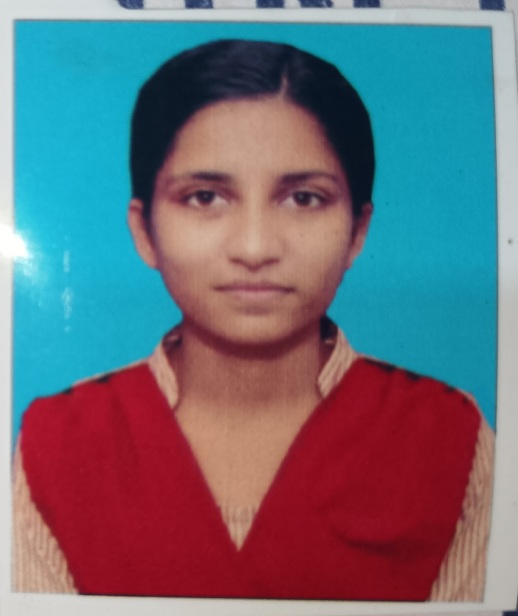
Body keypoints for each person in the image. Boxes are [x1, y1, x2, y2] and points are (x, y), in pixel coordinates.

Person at [12, 39, 493, 601]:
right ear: (145, 232)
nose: (256, 247)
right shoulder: (58, 444)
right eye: (205, 197)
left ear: (357, 232)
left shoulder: (450, 439)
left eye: (304, 199)